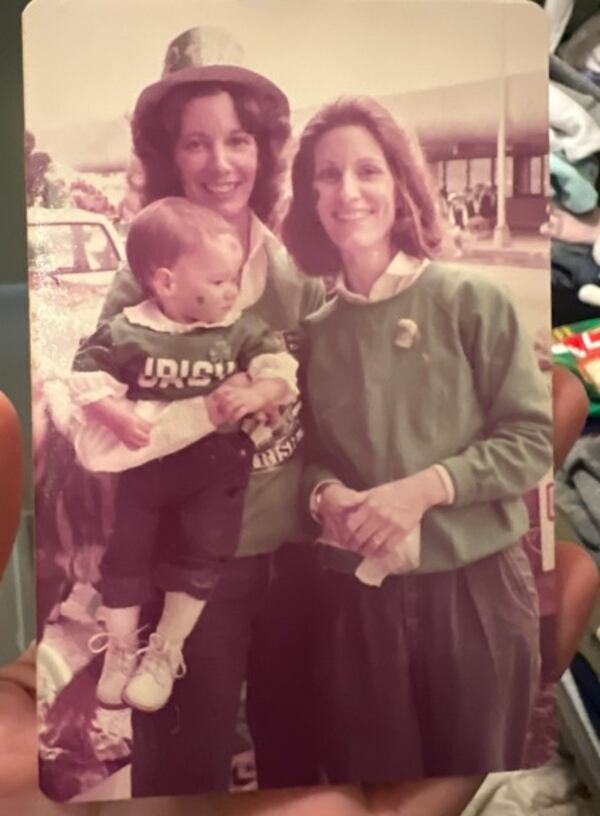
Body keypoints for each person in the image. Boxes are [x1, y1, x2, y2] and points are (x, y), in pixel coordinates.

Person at [71, 26, 325, 795]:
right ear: (167, 155)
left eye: (239, 140)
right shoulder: (144, 278)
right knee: (184, 771)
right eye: (196, 143)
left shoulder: (296, 264)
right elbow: (97, 421)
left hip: (299, 554)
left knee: (296, 754)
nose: (221, 164)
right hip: (192, 564)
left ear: (264, 149)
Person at [282, 96, 554, 782]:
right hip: (358, 604)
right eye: (327, 175)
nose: (348, 191)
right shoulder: (314, 332)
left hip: (475, 592)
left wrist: (424, 490)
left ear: (401, 183)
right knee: (381, 793)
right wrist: (324, 494)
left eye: (368, 170)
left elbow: (530, 438)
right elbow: (308, 455)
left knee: (475, 787)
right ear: (309, 197)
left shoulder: (471, 301)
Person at [69, 197, 297, 713]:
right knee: (126, 555)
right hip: (145, 470)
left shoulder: (239, 329)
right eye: (218, 280)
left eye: (233, 278)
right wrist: (113, 414)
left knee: (201, 556)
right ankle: (120, 650)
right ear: (167, 282)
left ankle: (165, 650)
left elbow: (279, 369)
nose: (232, 290)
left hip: (216, 472)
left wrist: (257, 394)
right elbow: (85, 376)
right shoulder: (128, 330)